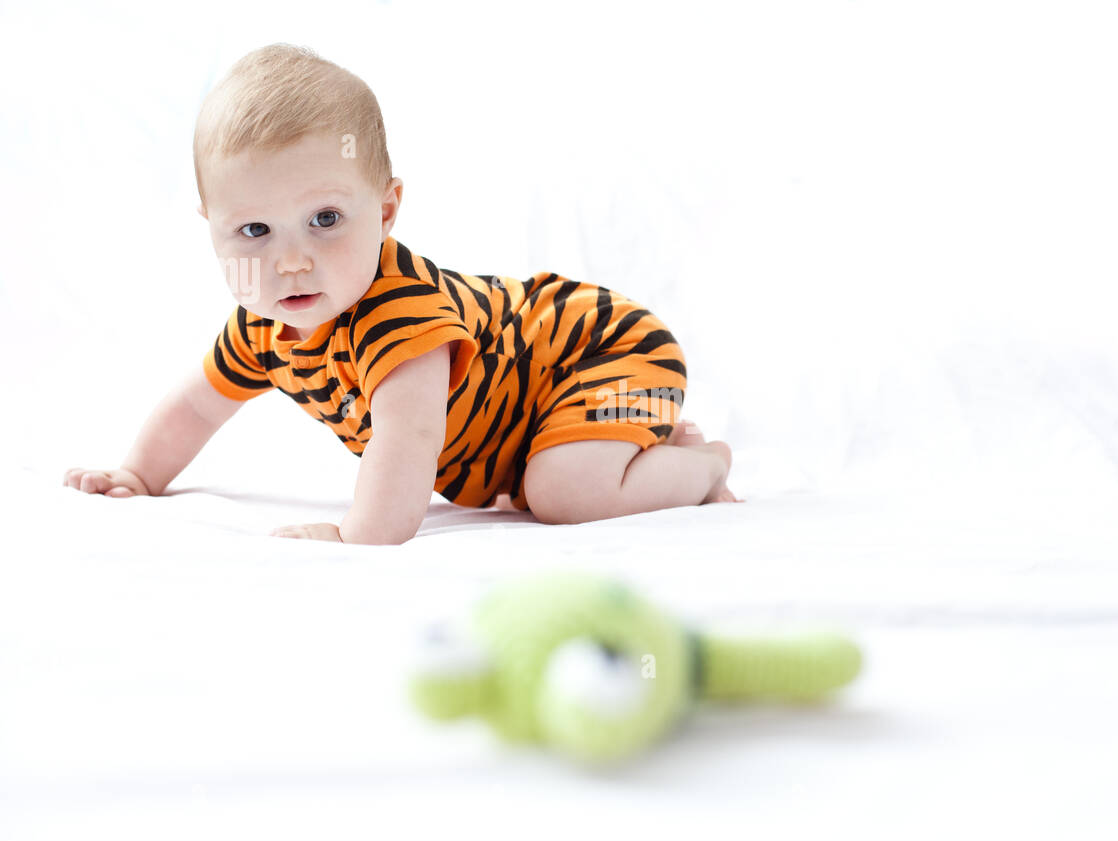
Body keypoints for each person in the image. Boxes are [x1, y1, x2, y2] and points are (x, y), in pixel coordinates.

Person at [63, 43, 739, 544]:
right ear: (211, 230)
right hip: (546, 399)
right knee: (543, 481)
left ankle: (700, 466)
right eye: (254, 230)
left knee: (562, 490)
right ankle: (631, 444)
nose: (291, 262)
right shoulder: (258, 325)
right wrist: (139, 475)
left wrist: (359, 535)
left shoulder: (400, 316)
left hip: (604, 351)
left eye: (325, 220)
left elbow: (408, 442)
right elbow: (195, 406)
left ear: (386, 212)